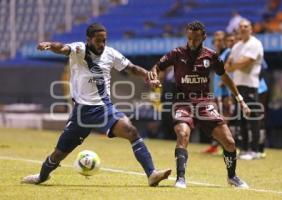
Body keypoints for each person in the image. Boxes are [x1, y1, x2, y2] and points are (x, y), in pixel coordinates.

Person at [22, 23, 171, 186]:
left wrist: (148, 75)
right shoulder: (79, 49)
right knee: (59, 153)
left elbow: (132, 68)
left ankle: (151, 174)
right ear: (89, 39)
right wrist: (50, 45)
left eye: (104, 40)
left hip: (103, 109)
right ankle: (41, 177)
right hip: (81, 113)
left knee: (131, 131)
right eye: (98, 41)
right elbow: (63, 48)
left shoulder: (110, 53)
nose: (102, 44)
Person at [148, 21, 250, 189]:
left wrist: (239, 98)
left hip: (204, 104)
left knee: (230, 143)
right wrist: (153, 75)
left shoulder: (211, 56)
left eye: (196, 39)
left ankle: (232, 177)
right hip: (182, 103)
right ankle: (180, 178)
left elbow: (225, 77)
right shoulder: (176, 53)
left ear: (204, 37)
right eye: (189, 38)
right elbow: (157, 67)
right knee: (183, 135)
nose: (192, 42)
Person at [225, 19, 264, 160]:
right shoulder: (237, 46)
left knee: (253, 118)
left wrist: (235, 64)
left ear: (251, 28)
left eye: (245, 26)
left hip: (251, 85)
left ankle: (255, 150)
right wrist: (237, 64)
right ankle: (244, 149)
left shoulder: (255, 43)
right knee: (240, 119)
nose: (243, 28)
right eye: (240, 27)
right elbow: (228, 64)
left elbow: (246, 63)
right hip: (238, 86)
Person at [202, 32, 237, 154]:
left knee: (224, 119)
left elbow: (228, 69)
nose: (219, 42)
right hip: (217, 92)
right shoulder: (216, 55)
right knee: (219, 119)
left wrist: (224, 82)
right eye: (217, 40)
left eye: (221, 40)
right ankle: (217, 145)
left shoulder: (228, 52)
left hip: (225, 92)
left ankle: (226, 146)